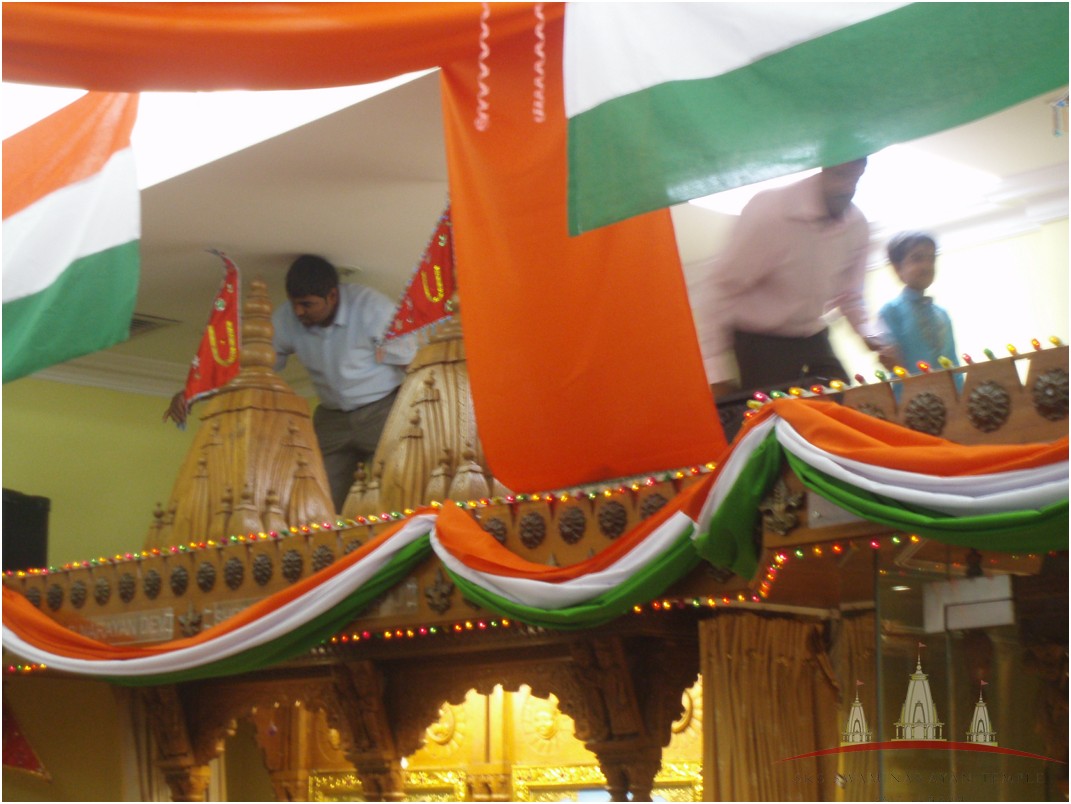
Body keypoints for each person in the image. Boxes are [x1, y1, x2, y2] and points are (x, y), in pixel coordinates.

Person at [166, 254, 416, 510]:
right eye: (294, 303)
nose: (299, 312)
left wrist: (421, 411)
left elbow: (412, 366)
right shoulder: (286, 318)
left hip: (384, 410)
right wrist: (193, 392)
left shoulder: (373, 310)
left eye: (307, 304)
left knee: (400, 486)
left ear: (332, 296)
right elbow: (250, 367)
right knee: (312, 497)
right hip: (332, 418)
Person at [693, 158, 897, 397]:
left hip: (813, 336)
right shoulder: (771, 212)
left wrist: (869, 335)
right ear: (825, 164)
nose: (846, 188)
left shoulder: (857, 225)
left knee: (843, 407)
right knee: (779, 419)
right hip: (760, 344)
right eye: (840, 175)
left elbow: (850, 295)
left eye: (855, 177)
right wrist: (716, 374)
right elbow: (720, 289)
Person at [879, 231, 958, 375]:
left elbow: (953, 362)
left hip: (952, 388)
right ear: (897, 268)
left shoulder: (941, 314)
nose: (926, 266)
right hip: (912, 389)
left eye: (931, 259)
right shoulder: (891, 311)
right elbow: (894, 364)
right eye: (917, 258)